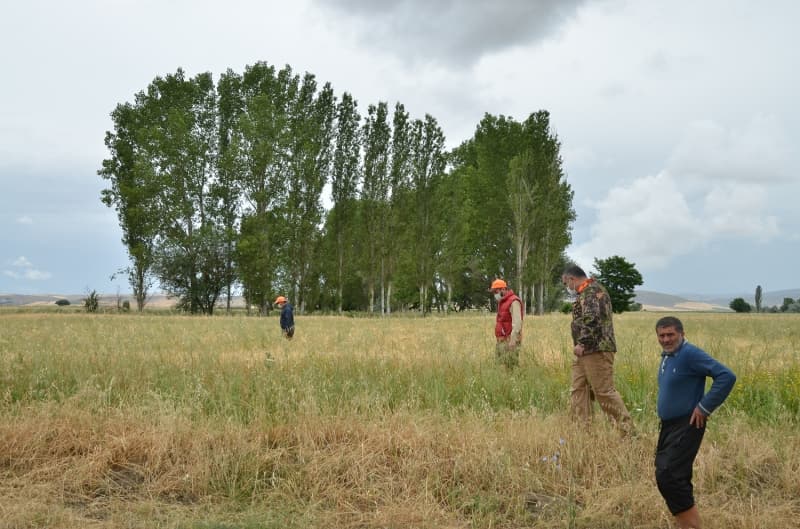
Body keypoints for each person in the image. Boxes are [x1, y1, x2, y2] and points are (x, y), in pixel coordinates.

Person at [654, 316, 736, 529]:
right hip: (669, 426)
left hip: (687, 424)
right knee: (673, 475)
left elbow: (726, 376)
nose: (666, 339)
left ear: (682, 334)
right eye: (661, 335)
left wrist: (704, 406)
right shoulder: (669, 356)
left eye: (670, 334)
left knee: (669, 476)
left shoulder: (690, 354)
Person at [562, 264, 632, 433]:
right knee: (578, 389)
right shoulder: (587, 292)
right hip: (584, 352)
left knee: (604, 392)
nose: (567, 288)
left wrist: (582, 343)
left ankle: (628, 432)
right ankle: (582, 431)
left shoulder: (592, 291)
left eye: (566, 284)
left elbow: (592, 319)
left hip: (596, 349)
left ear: (572, 279)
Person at [488, 278, 523, 368]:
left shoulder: (514, 301)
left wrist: (513, 341)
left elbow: (517, 323)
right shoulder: (502, 302)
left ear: (503, 289)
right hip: (501, 341)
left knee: (511, 368)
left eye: (496, 292)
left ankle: (516, 381)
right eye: (494, 292)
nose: (495, 294)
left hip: (510, 341)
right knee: (499, 367)